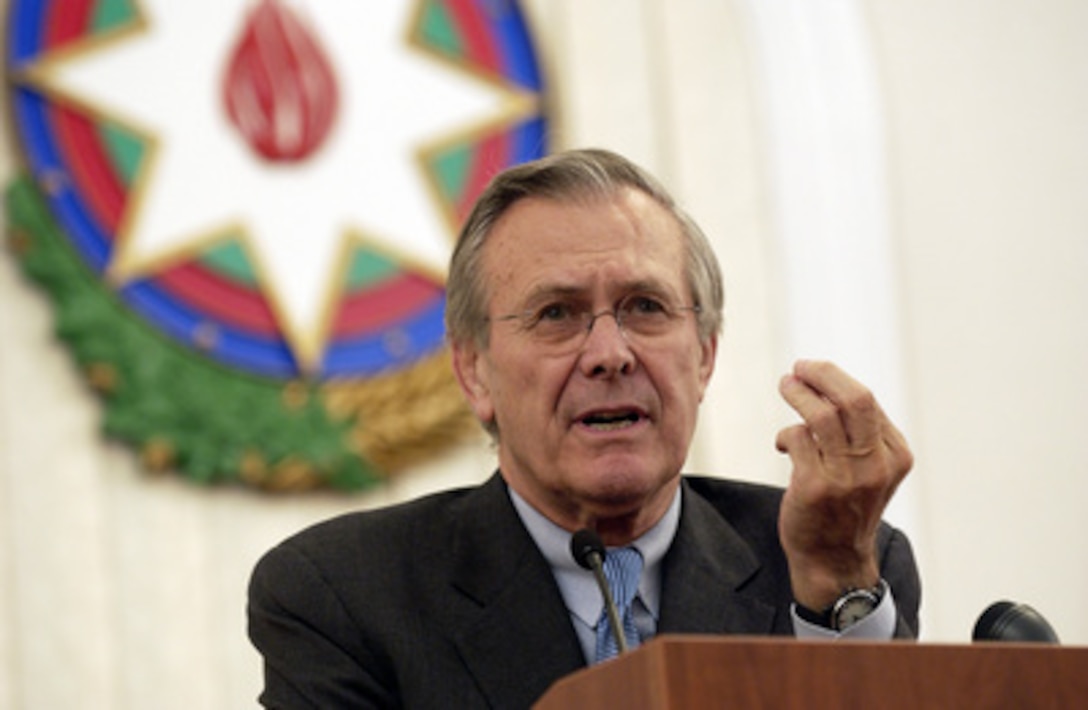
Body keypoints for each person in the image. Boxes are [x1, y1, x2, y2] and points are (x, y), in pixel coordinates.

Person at [248, 148, 921, 708]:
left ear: (705, 355)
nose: (609, 353)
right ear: (475, 371)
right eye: (557, 314)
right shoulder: (341, 595)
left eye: (646, 307)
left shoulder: (840, 562)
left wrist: (835, 583)